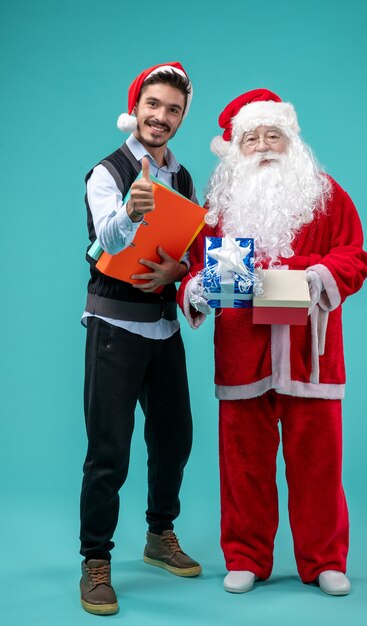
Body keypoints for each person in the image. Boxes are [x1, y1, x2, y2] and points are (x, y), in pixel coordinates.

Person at [177, 89, 367, 596]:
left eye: (273, 136)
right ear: (236, 148)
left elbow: (355, 255)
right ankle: (246, 556)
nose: (263, 146)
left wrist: (322, 275)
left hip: (312, 357)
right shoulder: (218, 207)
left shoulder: (326, 195)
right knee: (243, 466)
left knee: (319, 465)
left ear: (292, 141)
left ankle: (324, 559)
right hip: (243, 355)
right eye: (252, 138)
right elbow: (195, 268)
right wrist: (196, 288)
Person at [79, 62, 201, 616]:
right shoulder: (107, 172)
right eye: (154, 105)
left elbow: (190, 252)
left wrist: (178, 274)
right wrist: (129, 210)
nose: (162, 117)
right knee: (109, 451)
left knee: (175, 439)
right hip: (114, 325)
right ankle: (96, 561)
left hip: (163, 326)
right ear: (138, 107)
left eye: (173, 109)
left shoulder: (182, 175)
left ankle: (159, 535)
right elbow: (103, 237)